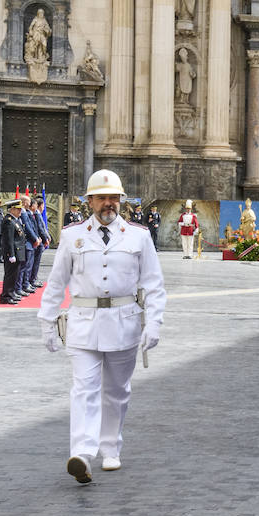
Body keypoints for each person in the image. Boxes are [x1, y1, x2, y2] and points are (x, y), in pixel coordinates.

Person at [38, 170, 166, 483]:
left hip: (124, 322)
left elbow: (154, 283)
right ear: (89, 201)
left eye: (113, 198)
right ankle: (82, 453)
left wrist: (154, 323)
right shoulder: (72, 236)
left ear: (121, 200)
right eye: (102, 198)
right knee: (84, 389)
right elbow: (56, 283)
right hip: (83, 324)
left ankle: (111, 448)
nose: (108, 203)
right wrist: (46, 321)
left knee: (117, 391)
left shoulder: (139, 235)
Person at [0, 199, 28, 304]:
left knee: (14, 275)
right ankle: (6, 296)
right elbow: (9, 240)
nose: (20, 211)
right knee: (10, 275)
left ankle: (11, 292)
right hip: (13, 253)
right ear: (12, 209)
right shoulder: (8, 221)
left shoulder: (15, 220)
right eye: (18, 209)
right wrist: (11, 254)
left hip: (18, 252)